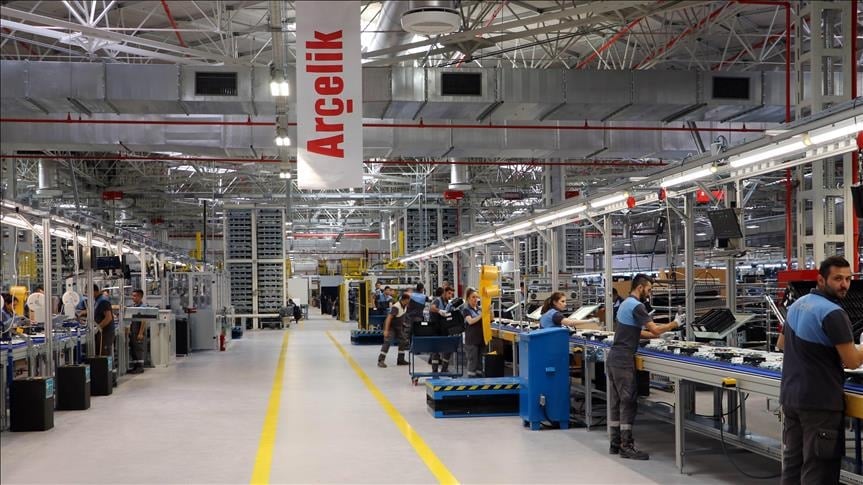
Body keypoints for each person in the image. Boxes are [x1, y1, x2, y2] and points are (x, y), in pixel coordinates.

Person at [781, 256, 863, 484]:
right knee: (819, 471)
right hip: (820, 403)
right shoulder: (833, 313)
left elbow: (781, 344)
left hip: (791, 398)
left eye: (848, 279)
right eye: (837, 279)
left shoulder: (798, 304)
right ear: (820, 280)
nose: (844, 285)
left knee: (794, 466)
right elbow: (852, 361)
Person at [607, 274, 682, 460]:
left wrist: (658, 336)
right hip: (624, 360)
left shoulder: (625, 304)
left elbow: (636, 332)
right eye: (649, 289)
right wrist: (674, 324)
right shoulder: (637, 306)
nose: (649, 293)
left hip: (614, 357)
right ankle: (626, 446)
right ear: (640, 287)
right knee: (628, 402)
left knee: (616, 402)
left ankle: (615, 443)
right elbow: (654, 328)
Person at [377, 292, 411, 368]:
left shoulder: (404, 306)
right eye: (409, 300)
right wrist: (386, 330)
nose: (409, 301)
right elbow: (388, 318)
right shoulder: (396, 307)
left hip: (399, 327)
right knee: (387, 342)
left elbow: (401, 316)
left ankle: (400, 360)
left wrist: (403, 323)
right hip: (391, 327)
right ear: (405, 300)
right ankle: (381, 360)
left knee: (403, 341)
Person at [430, 286, 455, 373]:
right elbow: (432, 308)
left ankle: (444, 369)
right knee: (436, 350)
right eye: (449, 293)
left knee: (448, 350)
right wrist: (439, 311)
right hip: (435, 329)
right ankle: (435, 371)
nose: (450, 296)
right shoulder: (437, 300)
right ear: (444, 292)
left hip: (445, 329)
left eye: (452, 294)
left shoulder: (449, 303)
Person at [461, 287, 485, 378]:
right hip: (471, 341)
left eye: (476, 297)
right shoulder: (466, 310)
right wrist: (481, 315)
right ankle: (471, 383)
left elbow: (490, 319)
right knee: (473, 363)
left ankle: (479, 382)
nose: (475, 299)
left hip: (480, 340)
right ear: (468, 298)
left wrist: (489, 311)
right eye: (473, 297)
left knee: (480, 364)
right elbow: (470, 321)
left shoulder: (479, 309)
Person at [127, 289, 146, 374]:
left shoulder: (142, 307)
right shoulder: (134, 306)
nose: (132, 297)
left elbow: (143, 321)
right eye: (132, 295)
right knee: (133, 349)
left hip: (138, 331)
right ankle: (135, 366)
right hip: (133, 331)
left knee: (138, 350)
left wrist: (141, 333)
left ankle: (140, 367)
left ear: (140, 297)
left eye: (134, 296)